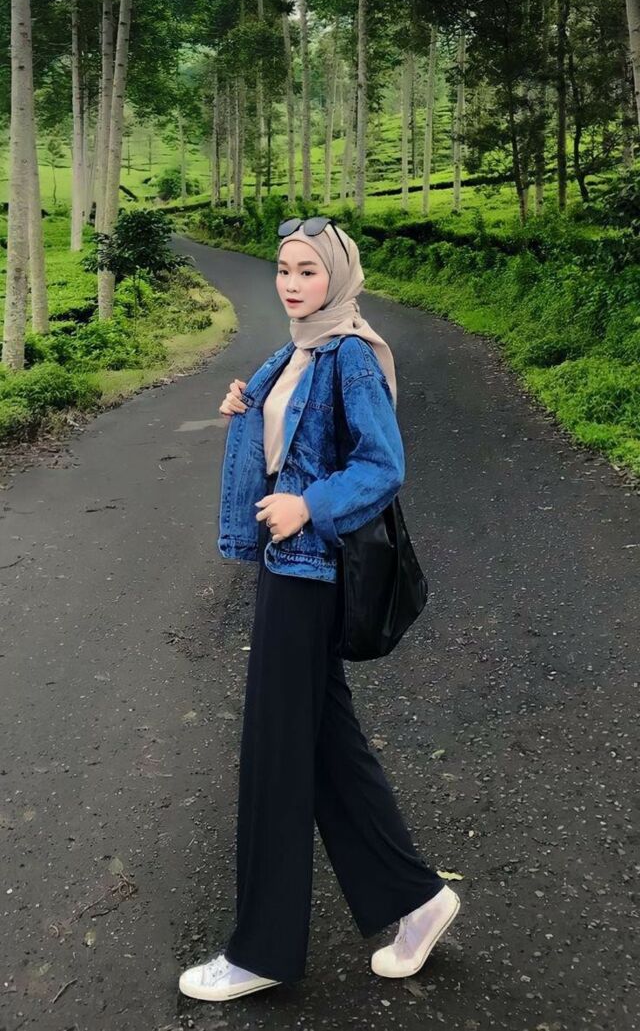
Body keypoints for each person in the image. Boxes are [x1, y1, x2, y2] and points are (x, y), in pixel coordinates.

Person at [178, 217, 460, 1003]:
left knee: (275, 751)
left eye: (308, 270)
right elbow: (292, 439)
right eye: (283, 269)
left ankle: (260, 949)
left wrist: (309, 505)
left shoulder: (349, 354)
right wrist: (248, 407)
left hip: (308, 573)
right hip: (287, 567)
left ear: (337, 276)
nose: (291, 283)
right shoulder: (297, 352)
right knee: (327, 746)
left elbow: (383, 463)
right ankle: (418, 899)